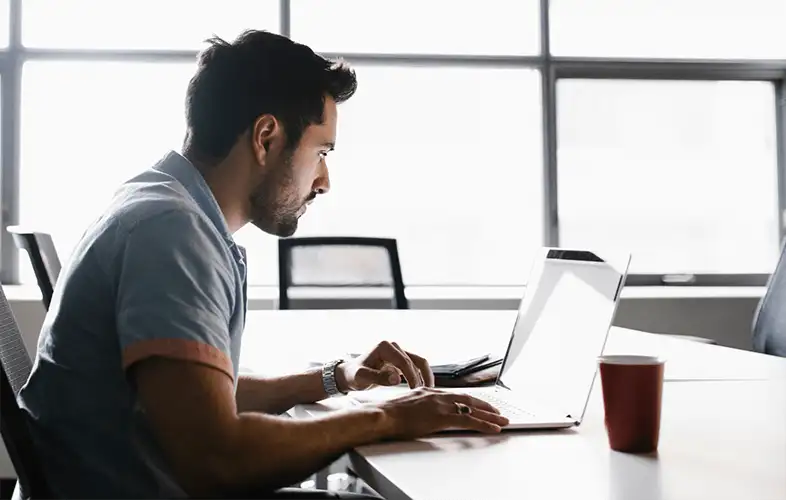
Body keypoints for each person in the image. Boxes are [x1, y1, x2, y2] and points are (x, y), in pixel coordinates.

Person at [15, 30, 508, 500]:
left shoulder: (162, 206)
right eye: (321, 152)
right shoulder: (170, 231)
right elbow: (217, 458)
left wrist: (338, 377)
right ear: (267, 137)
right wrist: (391, 419)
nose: (324, 180)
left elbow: (203, 397)